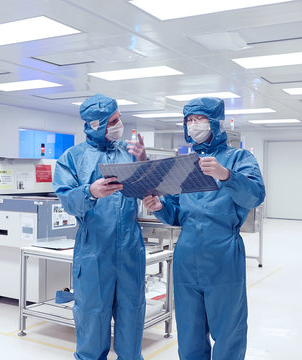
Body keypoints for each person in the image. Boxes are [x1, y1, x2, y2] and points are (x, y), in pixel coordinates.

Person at [142, 97, 265, 360]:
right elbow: (176, 213)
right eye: (189, 120)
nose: (193, 125)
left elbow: (255, 196)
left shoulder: (238, 158)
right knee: (189, 333)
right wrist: (159, 206)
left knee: (228, 332)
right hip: (186, 255)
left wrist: (226, 176)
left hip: (222, 255)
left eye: (199, 119)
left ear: (216, 123)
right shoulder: (184, 163)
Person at [53, 94, 147, 360]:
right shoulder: (72, 158)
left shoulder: (126, 153)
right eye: (114, 120)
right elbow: (68, 201)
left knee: (132, 314)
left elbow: (151, 189)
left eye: (119, 117)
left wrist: (143, 160)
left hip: (130, 249)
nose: (120, 124)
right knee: (92, 319)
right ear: (97, 124)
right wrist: (90, 192)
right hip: (94, 251)